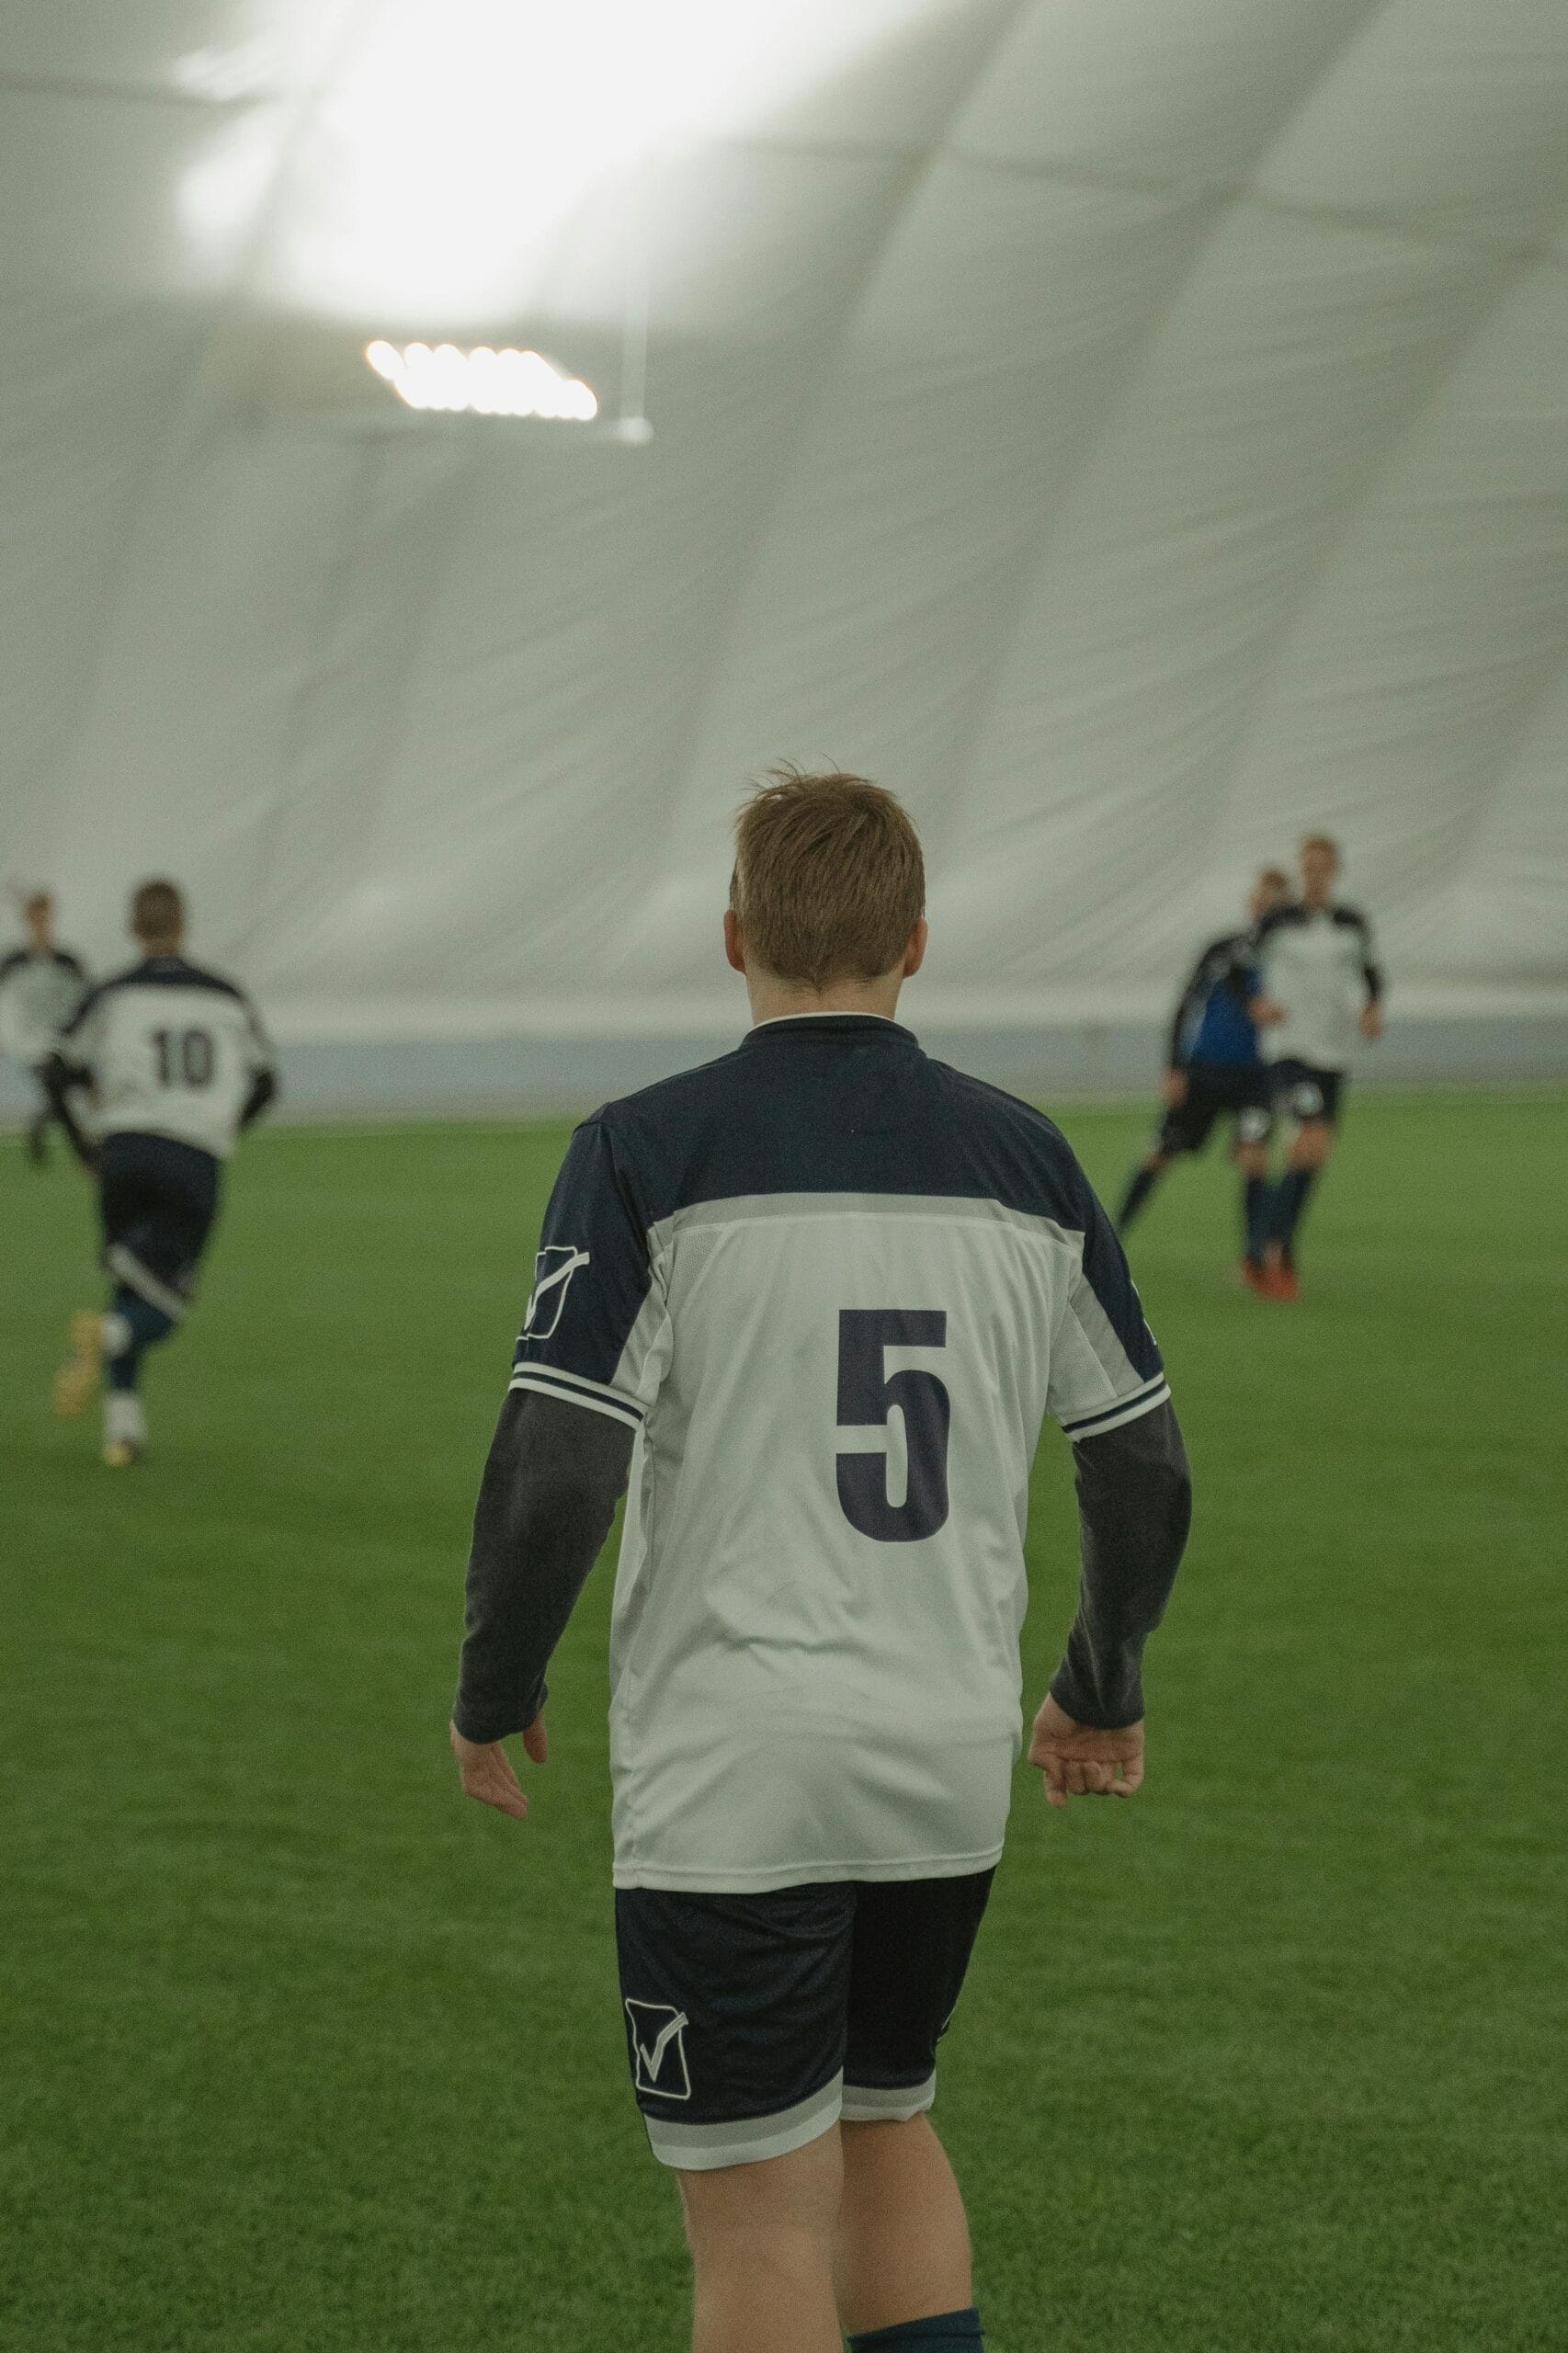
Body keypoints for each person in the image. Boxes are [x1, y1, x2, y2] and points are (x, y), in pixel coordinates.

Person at [449, 770, 1193, 2353]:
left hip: (739, 1769)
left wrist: (491, 1681)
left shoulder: (645, 1151)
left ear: (735, 937)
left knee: (760, 2226)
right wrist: (1099, 1685)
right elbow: (1139, 1458)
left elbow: (557, 1462)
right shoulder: (1029, 1162)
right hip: (939, 1756)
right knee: (887, 2123)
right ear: (914, 942)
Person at [45, 879, 277, 1466]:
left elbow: (56, 1066)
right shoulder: (225, 995)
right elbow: (266, 1081)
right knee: (165, 1304)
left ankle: (124, 1428)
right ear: (183, 925)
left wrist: (83, 1144)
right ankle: (110, 1340)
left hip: (122, 1153)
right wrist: (222, 1131)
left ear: (134, 928)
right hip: (191, 1156)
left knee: (132, 1284)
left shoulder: (113, 992)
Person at [1117, 867, 1291, 1281]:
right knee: (1161, 1152)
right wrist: (1174, 1066)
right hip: (1205, 1071)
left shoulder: (1291, 961)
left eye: (1278, 900)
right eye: (1263, 898)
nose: (1268, 907)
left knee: (1255, 1156)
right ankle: (1110, 1237)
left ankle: (1253, 1257)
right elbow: (1186, 1005)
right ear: (1253, 902)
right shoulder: (1223, 950)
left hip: (1256, 1077)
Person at [1246, 834, 1383, 1302]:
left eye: (1324, 865)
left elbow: (1370, 973)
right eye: (1309, 865)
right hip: (1289, 1049)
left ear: (1335, 869)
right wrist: (1255, 1002)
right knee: (1311, 1138)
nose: (1316, 872)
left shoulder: (1352, 923)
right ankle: (1274, 1248)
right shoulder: (1278, 921)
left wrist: (1370, 1010)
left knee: (1313, 1154)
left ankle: (1272, 1243)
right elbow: (1238, 967)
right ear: (1302, 870)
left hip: (1333, 1051)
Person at [0, 891, 88, 1165]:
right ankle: (82, 1151)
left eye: (45, 917)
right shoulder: (12, 964)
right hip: (24, 1048)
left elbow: (84, 1004)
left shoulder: (68, 962)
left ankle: (46, 1126)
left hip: (59, 1046)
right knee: (53, 1083)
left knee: (61, 1081)